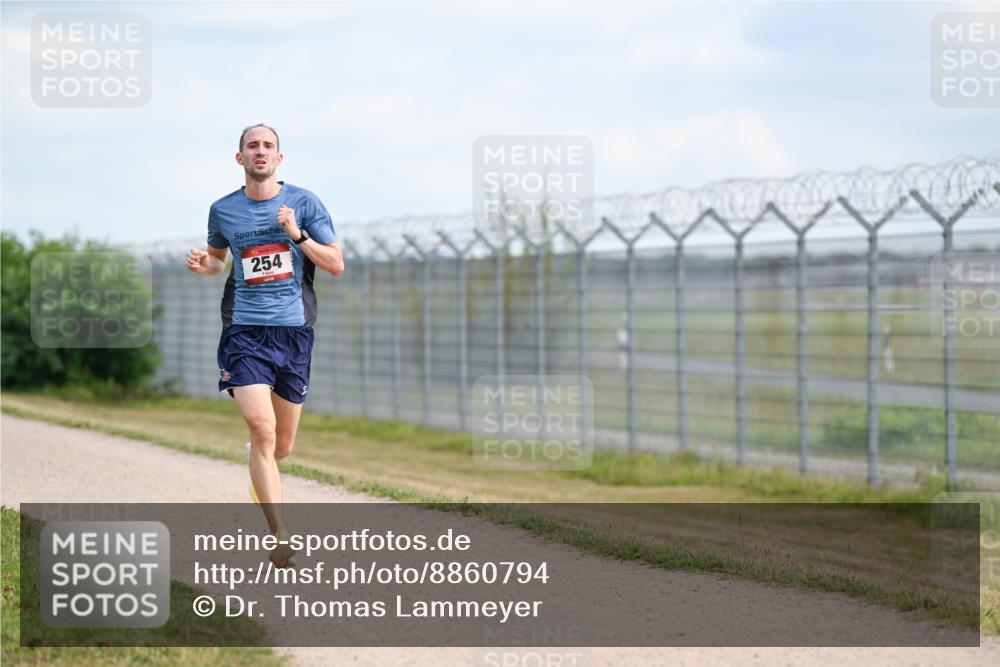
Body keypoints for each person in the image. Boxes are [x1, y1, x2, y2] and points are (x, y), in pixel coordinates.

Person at [185, 123, 344, 566]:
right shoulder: (223, 210)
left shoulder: (304, 203)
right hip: (244, 333)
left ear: (279, 158)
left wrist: (297, 233)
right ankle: (279, 534)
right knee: (262, 430)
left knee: (282, 446)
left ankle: (261, 461)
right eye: (252, 146)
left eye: (268, 146)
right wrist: (206, 266)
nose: (260, 151)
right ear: (240, 158)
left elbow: (336, 264)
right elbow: (220, 262)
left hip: (294, 334)